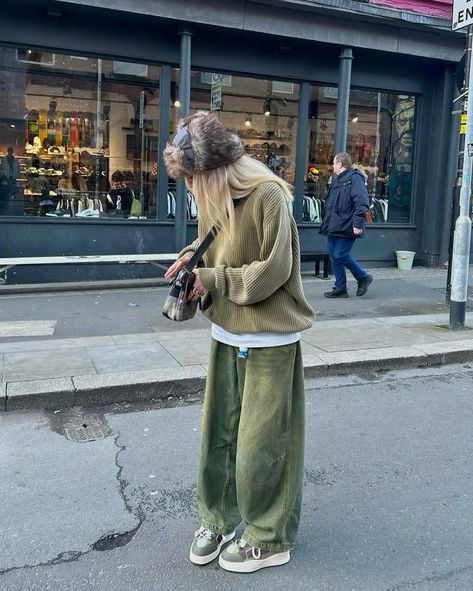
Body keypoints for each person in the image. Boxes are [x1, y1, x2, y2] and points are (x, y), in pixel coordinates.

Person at [163, 111, 314, 574]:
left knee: (263, 443)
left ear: (212, 171)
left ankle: (269, 536)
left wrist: (212, 277)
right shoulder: (217, 197)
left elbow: (272, 273)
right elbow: (212, 245)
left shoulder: (269, 195)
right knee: (219, 437)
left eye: (191, 179)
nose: (189, 188)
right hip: (226, 331)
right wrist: (190, 260)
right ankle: (219, 518)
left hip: (270, 335)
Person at [320, 151, 373, 298]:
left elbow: (362, 202)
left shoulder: (355, 178)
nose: (332, 166)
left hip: (347, 224)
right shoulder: (337, 179)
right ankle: (340, 288)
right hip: (334, 224)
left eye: (334, 163)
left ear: (340, 164)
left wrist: (357, 223)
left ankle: (363, 277)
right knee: (333, 255)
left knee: (340, 254)